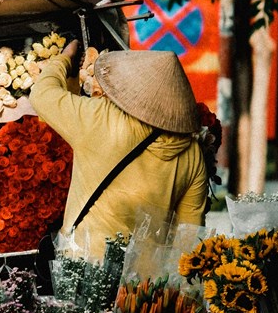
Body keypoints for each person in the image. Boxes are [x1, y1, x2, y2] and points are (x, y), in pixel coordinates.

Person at [28, 39, 210, 259]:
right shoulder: (192, 153)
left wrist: (65, 58)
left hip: (84, 266)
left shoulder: (102, 119)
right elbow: (189, 237)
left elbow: (42, 94)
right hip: (143, 284)